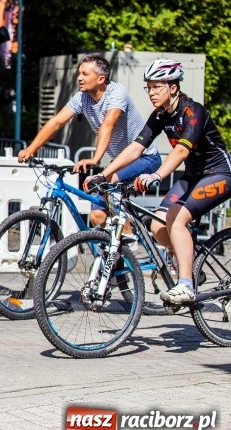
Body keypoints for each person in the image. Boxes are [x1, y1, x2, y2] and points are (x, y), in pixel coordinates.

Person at [87, 59, 231, 304]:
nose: (151, 93)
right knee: (157, 227)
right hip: (193, 176)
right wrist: (105, 174)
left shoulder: (192, 112)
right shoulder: (161, 115)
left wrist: (156, 175)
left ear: (173, 88)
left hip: (219, 174)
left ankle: (186, 285)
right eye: (149, 87)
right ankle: (192, 263)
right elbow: (136, 147)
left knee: (176, 220)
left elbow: (182, 151)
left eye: (156, 87)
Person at [17, 53, 161, 228]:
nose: (79, 78)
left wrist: (95, 159)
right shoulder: (82, 97)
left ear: (101, 79)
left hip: (145, 157)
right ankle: (110, 246)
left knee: (111, 188)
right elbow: (56, 122)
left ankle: (128, 241)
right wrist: (31, 149)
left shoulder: (117, 92)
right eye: (79, 73)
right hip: (120, 162)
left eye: (85, 74)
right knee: (97, 216)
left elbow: (108, 124)